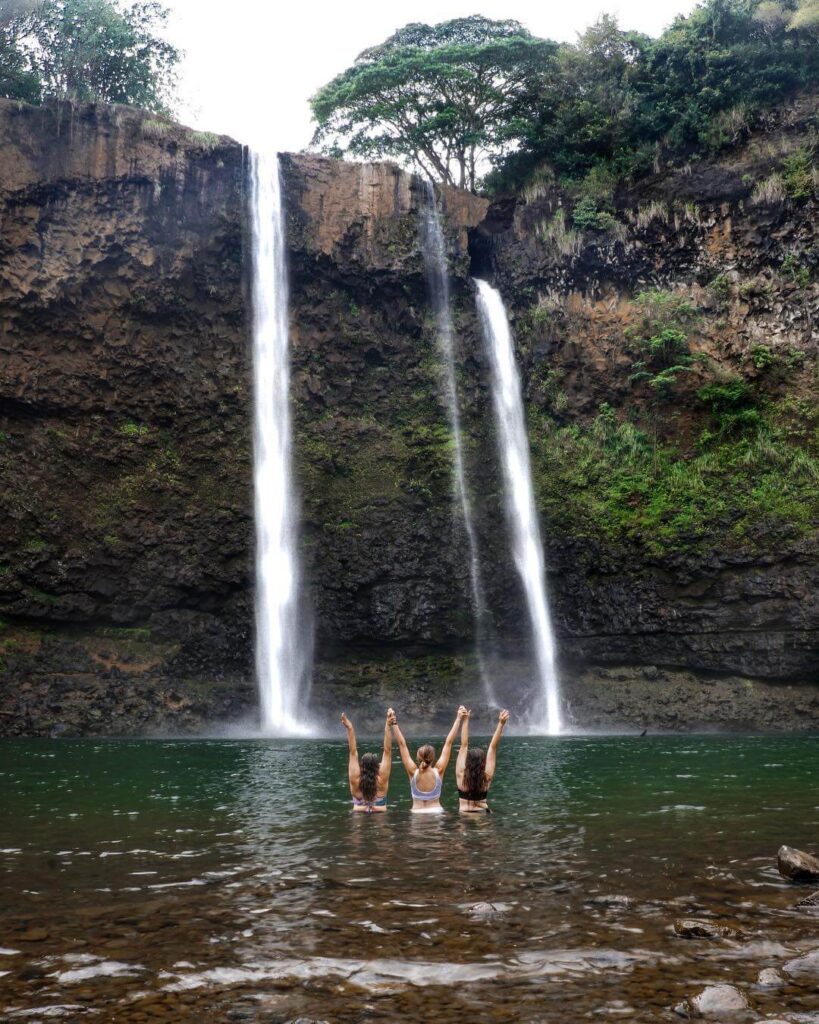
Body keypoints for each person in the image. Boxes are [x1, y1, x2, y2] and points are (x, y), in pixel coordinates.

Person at [391, 706, 466, 813]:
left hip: (417, 814)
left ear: (418, 758)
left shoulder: (412, 772)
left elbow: (402, 744)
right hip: (436, 812)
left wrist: (394, 722)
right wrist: (458, 718)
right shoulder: (439, 771)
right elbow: (449, 742)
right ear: (432, 758)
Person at [455, 708, 509, 813]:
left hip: (464, 814)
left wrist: (465, 720)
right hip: (483, 813)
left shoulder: (461, 774)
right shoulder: (486, 777)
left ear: (467, 761)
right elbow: (492, 747)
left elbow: (464, 745)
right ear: (483, 763)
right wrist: (501, 724)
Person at [341, 708, 394, 813]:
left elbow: (352, 752)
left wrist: (349, 728)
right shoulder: (382, 779)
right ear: (377, 766)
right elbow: (387, 751)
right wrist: (388, 725)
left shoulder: (355, 780)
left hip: (359, 813)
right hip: (380, 813)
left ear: (361, 766)